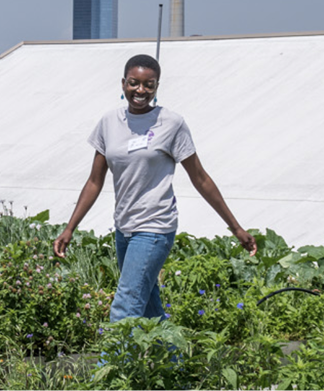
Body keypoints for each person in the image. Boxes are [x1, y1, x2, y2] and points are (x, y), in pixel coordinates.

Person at [53, 54, 257, 323]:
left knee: (126, 306)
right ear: (123, 83)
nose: (141, 91)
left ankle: (110, 365)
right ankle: (175, 362)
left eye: (149, 85)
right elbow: (94, 181)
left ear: (157, 86)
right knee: (149, 307)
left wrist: (236, 227)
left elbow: (200, 178)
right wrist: (70, 228)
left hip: (155, 227)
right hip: (124, 228)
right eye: (134, 83)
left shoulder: (171, 124)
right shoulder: (109, 122)